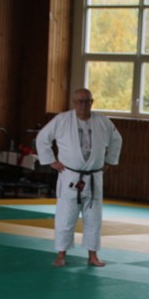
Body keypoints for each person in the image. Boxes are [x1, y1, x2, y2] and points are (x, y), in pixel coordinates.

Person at [36, 88, 123, 267]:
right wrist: (51, 161)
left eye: (87, 101)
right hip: (70, 175)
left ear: (92, 102)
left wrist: (109, 161)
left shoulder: (103, 121)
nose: (84, 105)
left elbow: (117, 140)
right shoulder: (62, 120)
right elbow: (42, 138)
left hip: (94, 176)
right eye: (80, 101)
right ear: (74, 103)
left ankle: (93, 256)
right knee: (66, 217)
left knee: (94, 219)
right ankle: (61, 255)